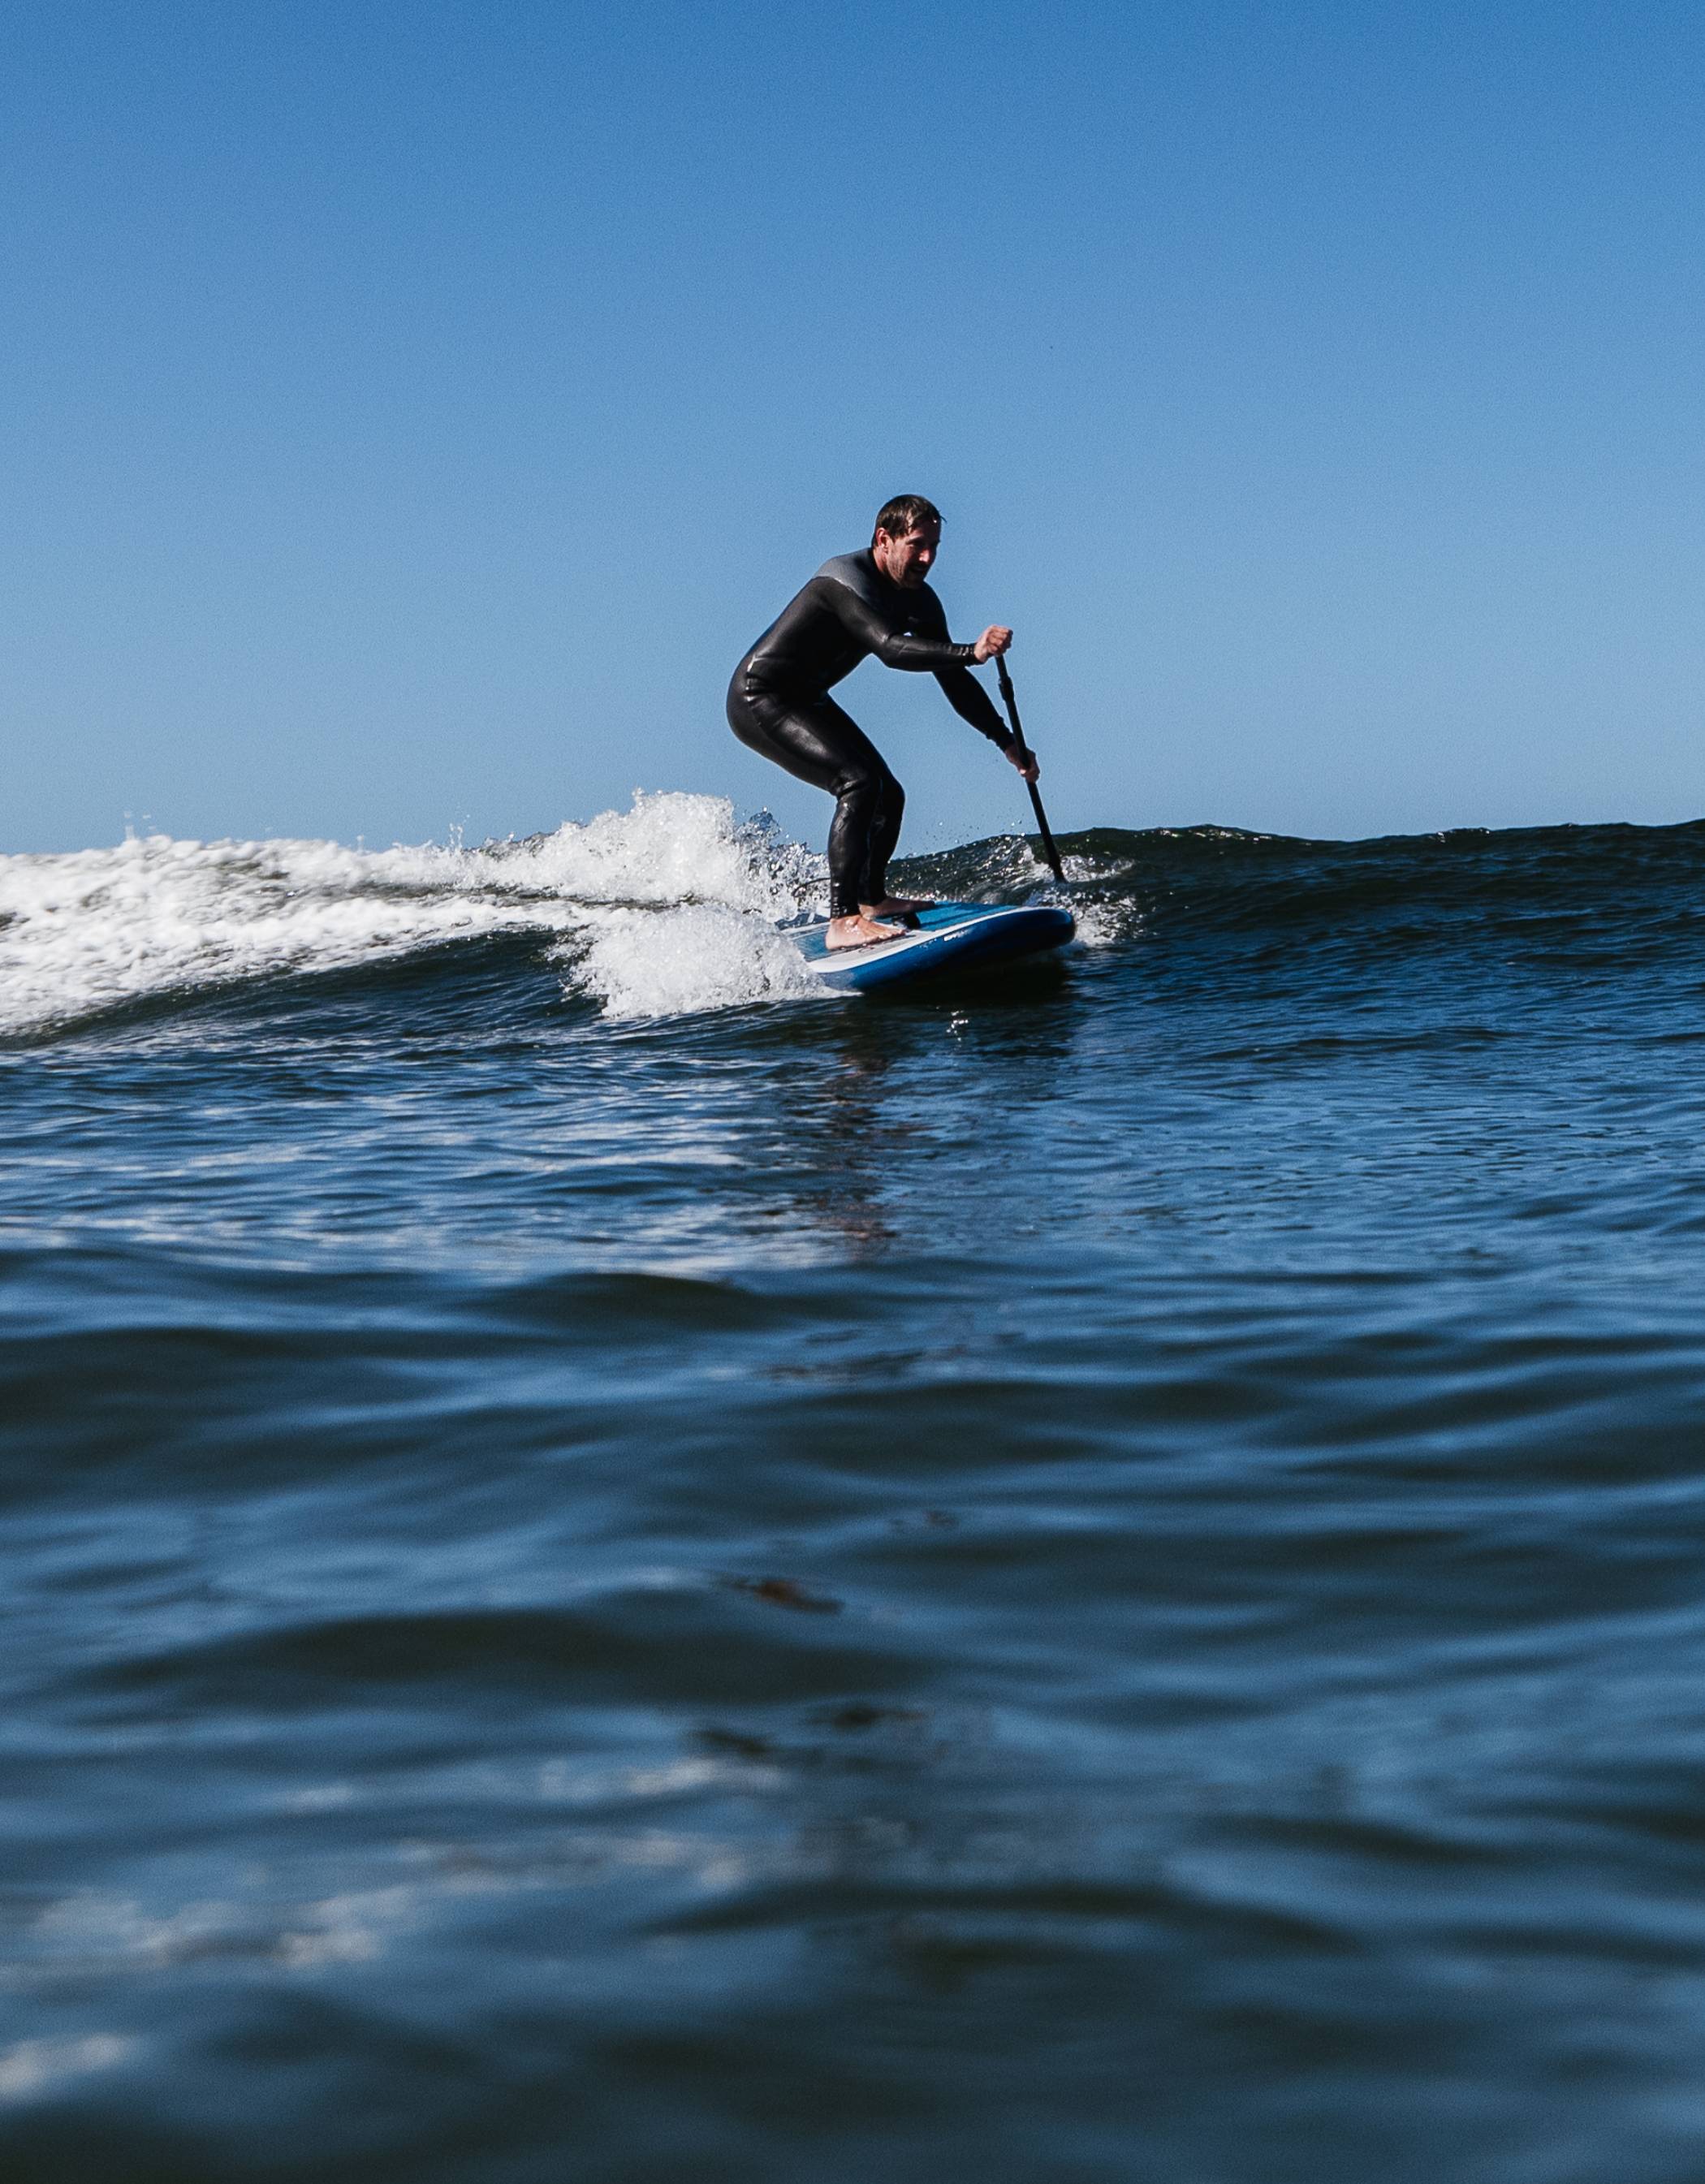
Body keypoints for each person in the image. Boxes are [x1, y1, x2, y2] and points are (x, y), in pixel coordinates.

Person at [727, 494, 1041, 950]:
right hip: (760, 698)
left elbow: (951, 680)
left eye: (934, 546)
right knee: (857, 783)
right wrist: (970, 651)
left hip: (807, 699)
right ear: (883, 540)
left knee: (887, 793)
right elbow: (891, 649)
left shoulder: (921, 602)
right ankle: (843, 920)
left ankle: (871, 900)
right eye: (917, 545)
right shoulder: (842, 580)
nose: (928, 558)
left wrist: (1005, 740)